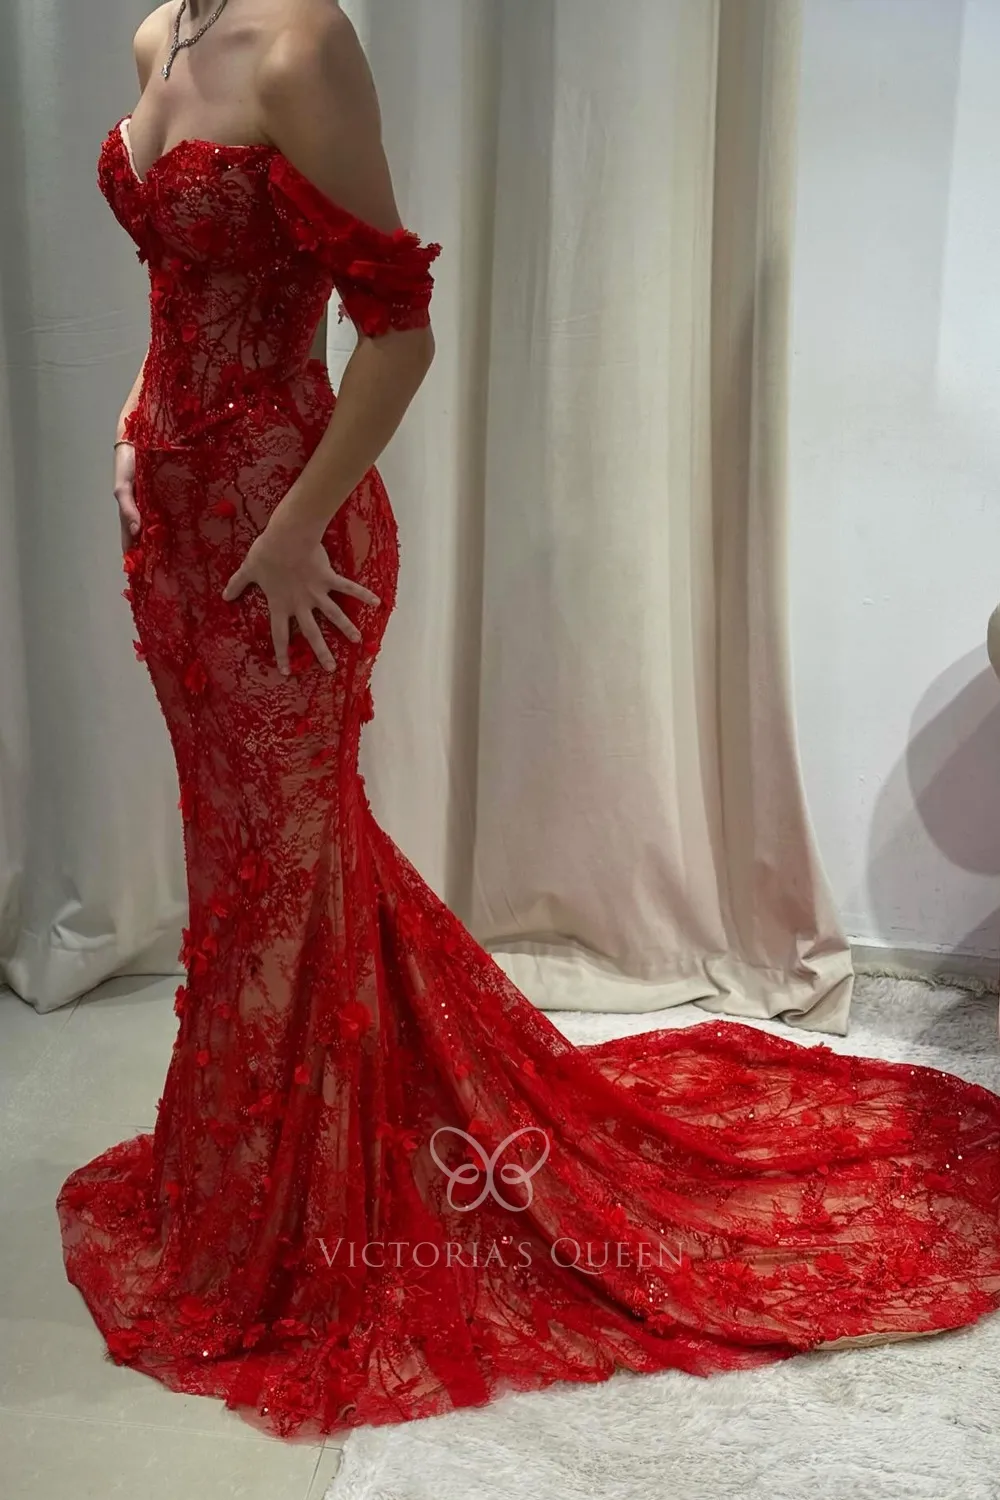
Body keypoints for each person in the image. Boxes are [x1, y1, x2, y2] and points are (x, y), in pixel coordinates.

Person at [58, 0, 1000, 1443]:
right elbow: (181, 279)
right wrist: (136, 414)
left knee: (275, 881)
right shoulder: (156, 38)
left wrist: (297, 527)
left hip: (284, 544)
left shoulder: (303, 47)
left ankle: (288, 1233)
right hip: (180, 539)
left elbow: (398, 333)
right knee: (254, 877)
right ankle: (251, 1193)